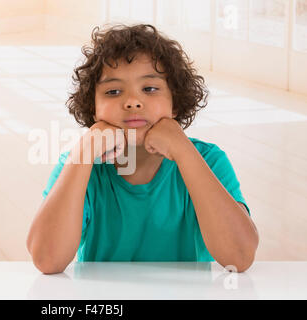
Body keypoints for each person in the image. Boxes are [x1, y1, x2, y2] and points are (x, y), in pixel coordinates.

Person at [26, 24, 259, 274]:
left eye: (149, 89)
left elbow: (240, 256)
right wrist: (83, 152)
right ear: (94, 109)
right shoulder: (78, 165)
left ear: (175, 103)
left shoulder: (208, 160)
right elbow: (47, 260)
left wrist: (183, 150)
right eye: (113, 91)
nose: (133, 102)